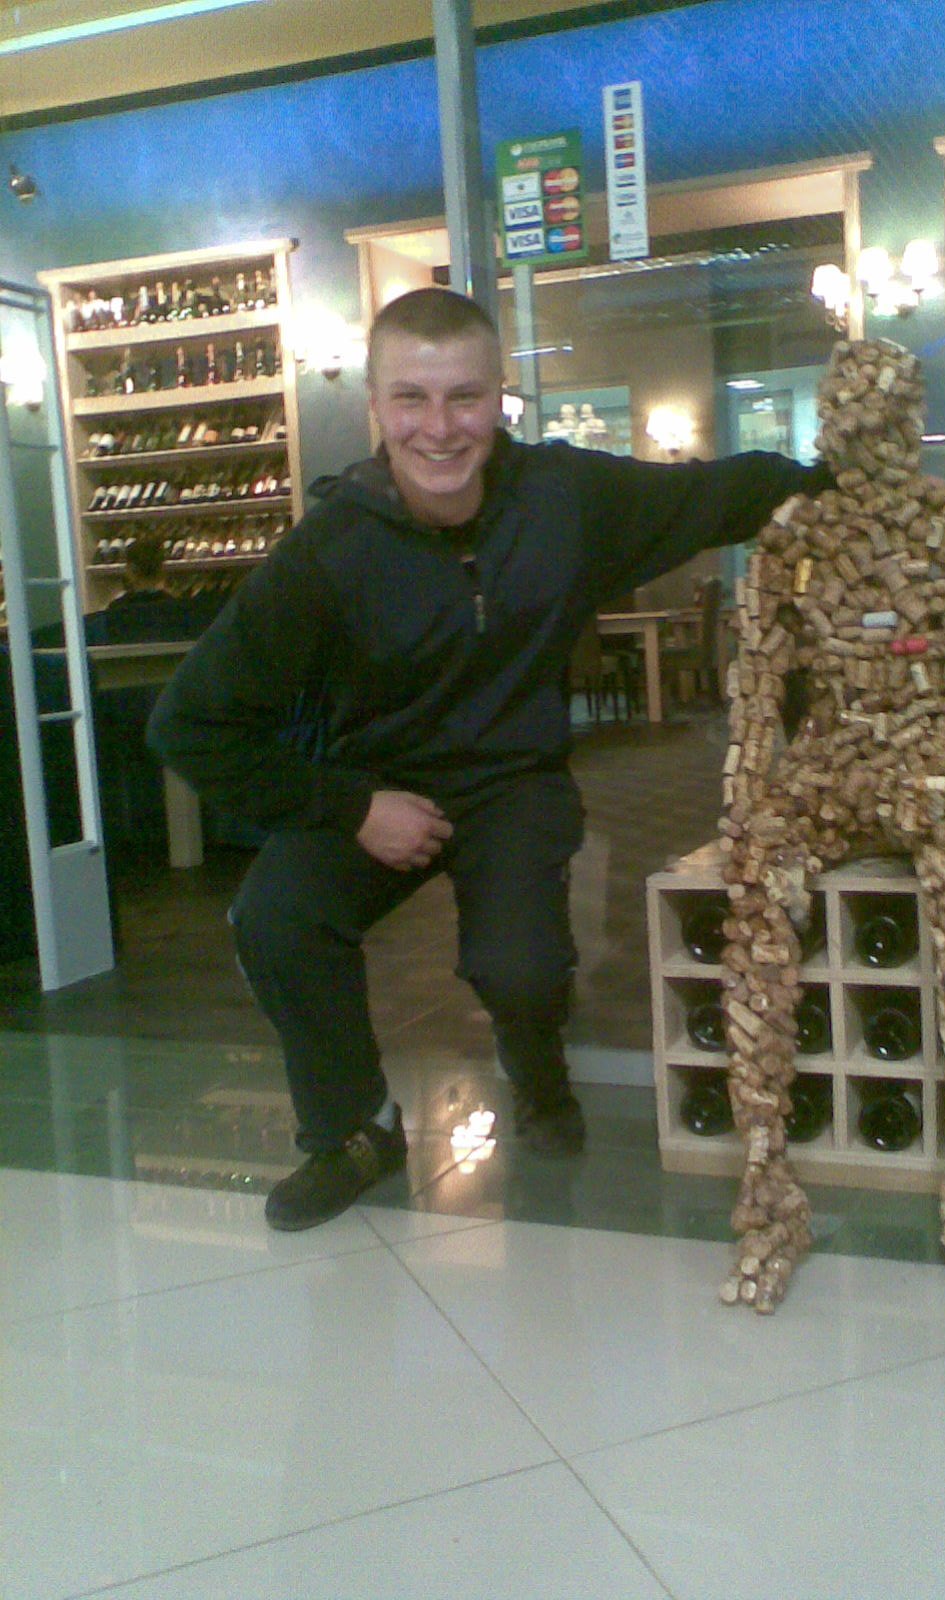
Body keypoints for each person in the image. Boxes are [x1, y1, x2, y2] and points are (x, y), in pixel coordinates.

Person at [147, 286, 833, 1232]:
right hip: (375, 786)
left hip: (514, 781)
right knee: (275, 918)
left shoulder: (564, 498)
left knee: (520, 968)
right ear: (375, 406)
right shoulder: (325, 555)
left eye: (463, 398)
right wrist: (352, 807)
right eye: (412, 399)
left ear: (499, 399)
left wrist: (847, 483)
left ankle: (537, 1070)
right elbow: (188, 725)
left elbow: (718, 493)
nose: (439, 429)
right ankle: (354, 1130)